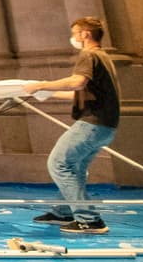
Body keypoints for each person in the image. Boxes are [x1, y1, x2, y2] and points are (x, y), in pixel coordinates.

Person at [22, 16, 121, 234]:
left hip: (92, 123)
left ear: (85, 34)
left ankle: (88, 219)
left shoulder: (89, 55)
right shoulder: (104, 57)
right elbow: (83, 92)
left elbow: (77, 82)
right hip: (106, 125)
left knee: (59, 163)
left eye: (76, 33)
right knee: (75, 167)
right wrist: (48, 93)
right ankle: (63, 211)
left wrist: (41, 84)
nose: (74, 38)